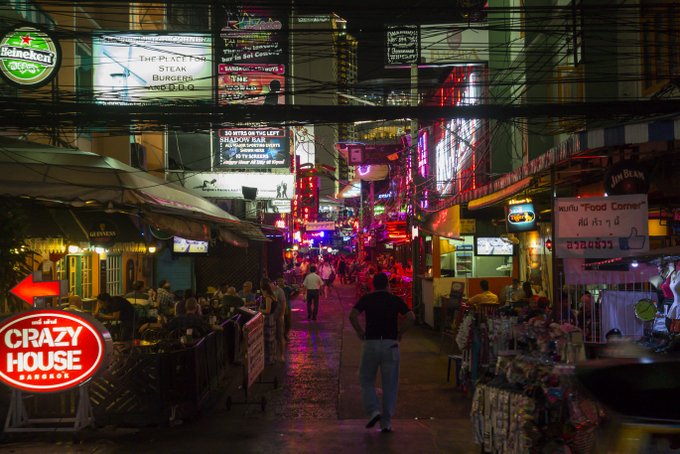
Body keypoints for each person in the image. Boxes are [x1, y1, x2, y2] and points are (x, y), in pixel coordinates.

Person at [349, 272, 415, 433]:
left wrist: (359, 331)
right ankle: (386, 423)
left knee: (366, 379)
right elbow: (411, 317)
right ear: (387, 284)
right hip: (390, 344)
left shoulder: (367, 298)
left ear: (373, 285)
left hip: (370, 343)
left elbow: (353, 315)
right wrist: (400, 332)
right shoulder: (394, 299)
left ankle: (373, 410)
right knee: (390, 384)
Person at [259, 278, 279, 365]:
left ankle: (269, 359)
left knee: (268, 340)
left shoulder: (268, 297)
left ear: (264, 289)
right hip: (272, 319)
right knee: (271, 339)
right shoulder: (273, 296)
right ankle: (272, 357)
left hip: (268, 319)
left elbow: (267, 310)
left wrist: (259, 310)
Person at [272, 277, 288, 361]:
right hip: (271, 317)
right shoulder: (266, 292)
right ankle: (273, 355)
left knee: (280, 335)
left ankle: (281, 355)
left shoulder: (279, 291)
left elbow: (284, 303)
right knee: (272, 337)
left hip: (278, 316)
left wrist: (282, 314)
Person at [276, 276, 293, 342]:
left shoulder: (288, 288)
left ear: (284, 281)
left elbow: (293, 294)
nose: (280, 282)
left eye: (281, 281)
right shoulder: (276, 289)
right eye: (279, 281)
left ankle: (285, 334)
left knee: (288, 322)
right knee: (280, 322)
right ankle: (280, 335)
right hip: (278, 307)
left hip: (287, 306)